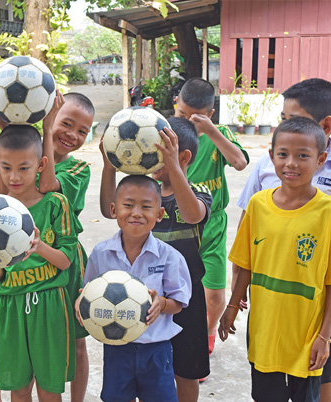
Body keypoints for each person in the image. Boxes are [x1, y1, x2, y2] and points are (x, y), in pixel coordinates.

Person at [100, 117, 211, 402]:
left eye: (159, 153)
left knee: (186, 369)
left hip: (183, 295)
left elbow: (191, 215)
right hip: (138, 301)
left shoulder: (197, 192)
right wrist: (109, 166)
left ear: (181, 156)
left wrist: (174, 167)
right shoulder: (143, 192)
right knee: (151, 368)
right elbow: (108, 209)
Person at [220, 117, 331, 402]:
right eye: (283, 154)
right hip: (264, 329)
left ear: (321, 159)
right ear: (271, 157)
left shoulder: (327, 213)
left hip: (306, 334)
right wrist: (232, 305)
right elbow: (245, 264)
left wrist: (325, 336)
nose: (291, 163)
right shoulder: (258, 205)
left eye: (302, 156)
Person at [77, 174, 191, 402]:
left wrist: (163, 304)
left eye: (146, 207)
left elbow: (179, 302)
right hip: (117, 349)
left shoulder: (169, 257)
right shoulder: (101, 253)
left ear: (159, 214)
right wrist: (82, 306)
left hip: (156, 350)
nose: (136, 213)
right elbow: (87, 292)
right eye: (128, 205)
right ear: (113, 209)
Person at [0, 125, 79, 402]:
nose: (14, 176)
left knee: (49, 388)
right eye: (6, 168)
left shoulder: (55, 204)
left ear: (41, 165)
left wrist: (40, 247)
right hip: (10, 306)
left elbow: (65, 262)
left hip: (49, 303)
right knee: (19, 388)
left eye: (24, 168)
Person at [175, 77, 249, 356]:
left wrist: (212, 132)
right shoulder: (170, 132)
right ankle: (176, 339)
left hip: (213, 223)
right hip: (177, 221)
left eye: (196, 118)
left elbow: (240, 163)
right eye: (182, 114)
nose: (188, 121)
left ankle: (205, 336)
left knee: (215, 293)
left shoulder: (220, 135)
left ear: (210, 115)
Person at [38, 91, 94, 402]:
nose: (72, 135)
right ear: (51, 117)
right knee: (40, 339)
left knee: (76, 341)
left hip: (67, 262)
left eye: (82, 131)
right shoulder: (27, 157)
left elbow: (46, 185)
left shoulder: (78, 170)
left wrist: (47, 130)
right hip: (29, 260)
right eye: (66, 123)